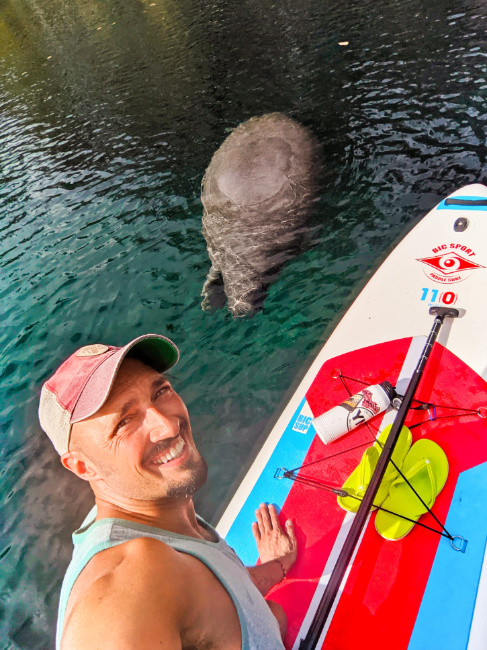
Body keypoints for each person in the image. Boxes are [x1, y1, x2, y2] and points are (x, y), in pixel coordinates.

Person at [39, 334, 298, 650]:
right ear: (83, 467)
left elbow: (216, 600)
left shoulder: (156, 504)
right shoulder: (126, 585)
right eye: (124, 422)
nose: (168, 425)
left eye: (160, 391)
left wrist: (276, 567)